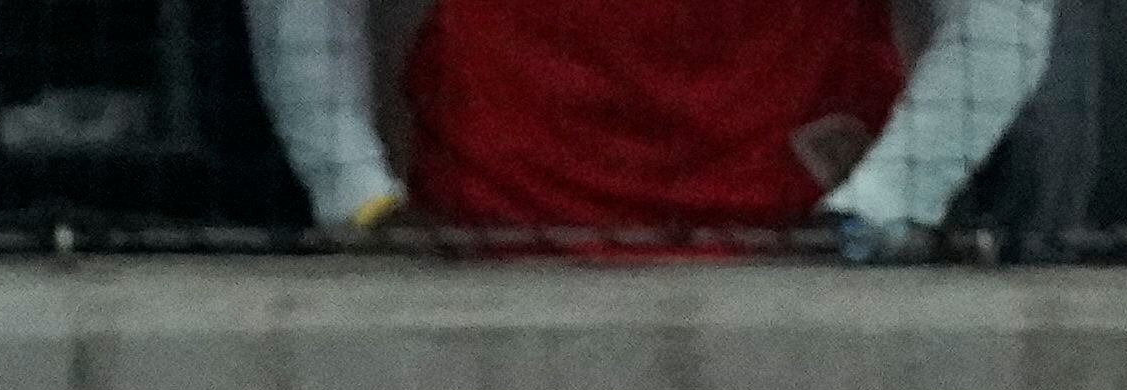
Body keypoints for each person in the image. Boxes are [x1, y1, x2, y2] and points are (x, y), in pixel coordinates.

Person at [237, 0, 1061, 256]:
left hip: (788, 264)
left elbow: (1005, 20)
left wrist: (876, 212)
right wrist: (358, 199)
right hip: (495, 248)